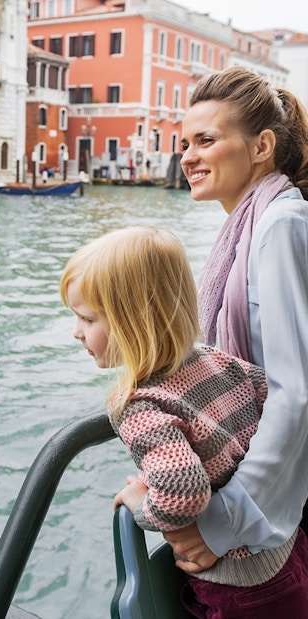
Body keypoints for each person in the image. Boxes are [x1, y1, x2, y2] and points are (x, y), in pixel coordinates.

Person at [59, 226, 308, 617]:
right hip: (286, 551)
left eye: (87, 319)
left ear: (132, 322)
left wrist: (142, 507)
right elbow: (269, 400)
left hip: (241, 589)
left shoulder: (139, 405)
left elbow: (183, 490)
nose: (76, 333)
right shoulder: (213, 360)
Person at [162, 65, 308, 580]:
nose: (188, 156)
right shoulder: (256, 224)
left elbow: (296, 392)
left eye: (206, 140)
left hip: (273, 522)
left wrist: (225, 522)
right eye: (184, 143)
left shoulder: (279, 226)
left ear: (261, 145)